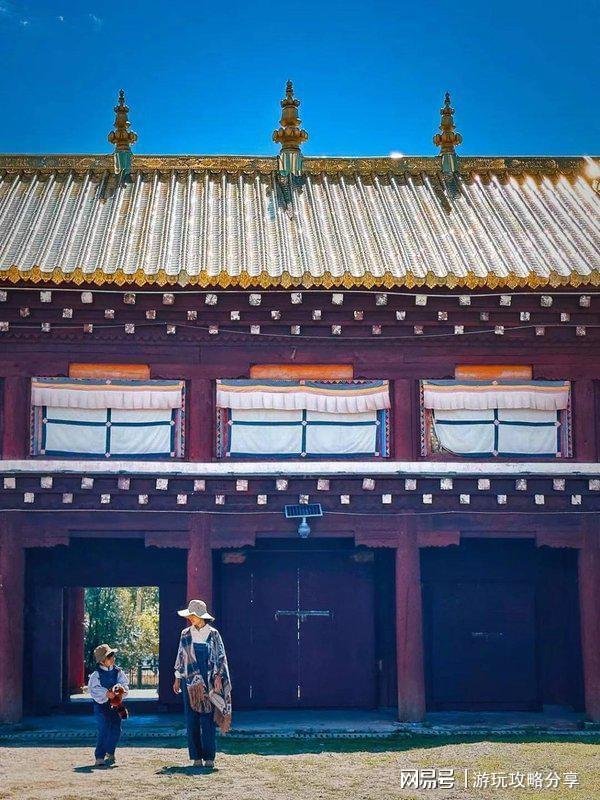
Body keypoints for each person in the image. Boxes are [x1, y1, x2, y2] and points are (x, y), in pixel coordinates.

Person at [173, 599, 232, 769]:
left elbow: (221, 657)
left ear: (201, 616)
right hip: (190, 684)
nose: (190, 618)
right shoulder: (185, 634)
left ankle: (209, 757)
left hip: (209, 681)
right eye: (190, 615)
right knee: (191, 720)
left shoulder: (213, 634)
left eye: (193, 615)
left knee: (207, 720)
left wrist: (219, 676)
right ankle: (196, 757)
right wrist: (177, 678)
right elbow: (181, 657)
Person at [87, 643, 129, 767]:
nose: (112, 658)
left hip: (115, 706)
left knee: (116, 728)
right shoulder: (96, 675)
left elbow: (124, 684)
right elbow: (94, 689)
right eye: (109, 656)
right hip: (101, 706)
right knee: (104, 728)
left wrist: (121, 690)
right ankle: (100, 756)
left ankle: (110, 751)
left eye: (112, 656)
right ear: (102, 661)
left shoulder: (118, 671)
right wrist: (106, 693)